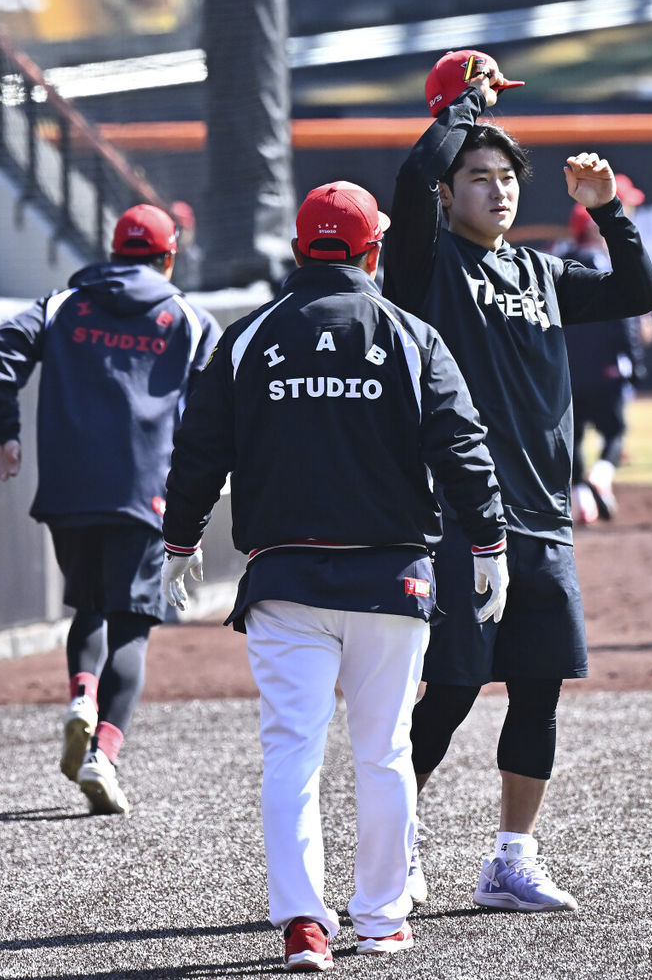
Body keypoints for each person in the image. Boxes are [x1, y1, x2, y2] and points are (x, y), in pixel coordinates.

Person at [160, 181, 509, 966]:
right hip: (392, 583)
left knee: (293, 752)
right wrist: (489, 543)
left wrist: (179, 541)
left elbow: (200, 452)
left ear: (297, 249)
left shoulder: (246, 337)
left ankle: (304, 925)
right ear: (372, 251)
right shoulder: (412, 336)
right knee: (383, 753)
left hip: (285, 583)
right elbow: (461, 447)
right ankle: (382, 919)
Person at [382, 48, 652, 913]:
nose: (497, 190)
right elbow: (411, 179)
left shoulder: (539, 270)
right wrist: (462, 111)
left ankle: (511, 857)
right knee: (455, 688)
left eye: (506, 177)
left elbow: (640, 291)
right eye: (477, 178)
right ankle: (394, 846)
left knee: (537, 688)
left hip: (543, 518)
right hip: (463, 517)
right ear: (447, 193)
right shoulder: (428, 268)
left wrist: (607, 209)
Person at [0, 204, 220, 814]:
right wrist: (206, 492)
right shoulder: (191, 321)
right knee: (133, 623)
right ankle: (105, 754)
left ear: (115, 250)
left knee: (88, 606)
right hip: (146, 495)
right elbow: (216, 414)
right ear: (168, 256)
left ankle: (80, 698)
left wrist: (3, 432)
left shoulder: (65, 304)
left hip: (68, 492)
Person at [560, 173, 652, 523]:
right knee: (614, 432)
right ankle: (600, 479)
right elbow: (625, 323)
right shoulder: (605, 264)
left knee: (574, 435)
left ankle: (582, 499)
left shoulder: (558, 263)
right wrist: (636, 362)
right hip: (607, 369)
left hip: (569, 371)